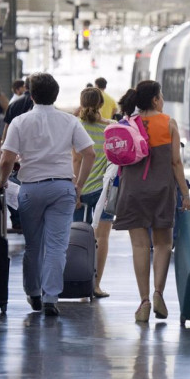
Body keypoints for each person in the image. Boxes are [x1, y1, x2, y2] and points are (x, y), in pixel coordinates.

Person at [0, 72, 96, 317]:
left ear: (31, 95)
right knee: (56, 247)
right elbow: (89, 153)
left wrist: (2, 181)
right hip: (62, 188)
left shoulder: (20, 122)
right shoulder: (69, 121)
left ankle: (34, 293)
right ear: (56, 95)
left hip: (31, 188)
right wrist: (79, 185)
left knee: (33, 246)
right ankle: (51, 297)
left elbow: (7, 158)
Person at [113, 80, 190, 322]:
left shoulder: (126, 124)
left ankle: (144, 302)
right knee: (163, 244)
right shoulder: (168, 122)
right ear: (156, 100)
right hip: (161, 191)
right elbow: (175, 163)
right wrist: (185, 194)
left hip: (132, 192)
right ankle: (158, 293)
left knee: (139, 246)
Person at [72, 87, 114, 298]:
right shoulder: (110, 129)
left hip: (78, 188)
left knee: (76, 236)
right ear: (100, 104)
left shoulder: (76, 127)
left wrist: (76, 189)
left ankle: (76, 280)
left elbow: (76, 160)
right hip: (103, 191)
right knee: (102, 237)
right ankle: (95, 285)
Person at [1, 76, 34, 146]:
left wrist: (4, 142)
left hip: (15, 139)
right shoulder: (39, 103)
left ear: (25, 86)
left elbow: (7, 125)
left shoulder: (13, 103)